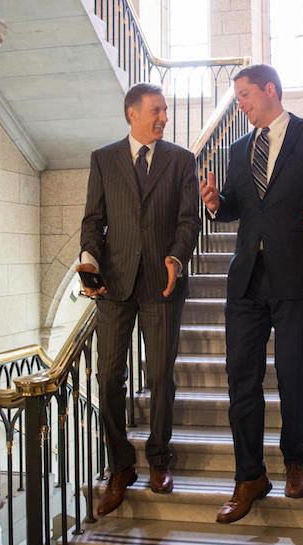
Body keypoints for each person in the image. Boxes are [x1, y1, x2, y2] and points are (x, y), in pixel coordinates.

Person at [199, 64, 303, 524]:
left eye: (245, 95)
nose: (241, 104)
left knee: (293, 373)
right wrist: (214, 204)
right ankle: (249, 475)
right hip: (248, 279)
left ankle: (296, 461)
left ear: (270, 90)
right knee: (240, 378)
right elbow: (236, 207)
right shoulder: (238, 148)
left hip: (300, 278)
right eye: (238, 97)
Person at [78, 82, 200, 517]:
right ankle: (121, 464)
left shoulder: (183, 160)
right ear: (132, 113)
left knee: (160, 375)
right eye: (156, 110)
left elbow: (189, 220)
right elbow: (93, 220)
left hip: (162, 285)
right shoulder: (103, 159)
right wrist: (89, 260)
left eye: (165, 110)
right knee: (108, 376)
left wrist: (176, 257)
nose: (163, 117)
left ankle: (159, 459)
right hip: (114, 285)